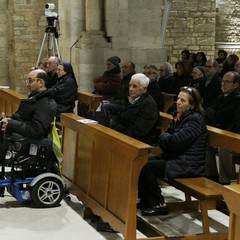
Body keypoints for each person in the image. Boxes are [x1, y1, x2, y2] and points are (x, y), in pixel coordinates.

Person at [138, 86, 207, 216]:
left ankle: (158, 203)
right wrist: (166, 138)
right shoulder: (179, 117)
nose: (178, 102)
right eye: (178, 99)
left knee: (147, 167)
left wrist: (164, 137)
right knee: (141, 162)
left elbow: (174, 141)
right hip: (177, 158)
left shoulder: (194, 121)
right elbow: (169, 140)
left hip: (188, 164)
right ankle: (146, 200)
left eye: (183, 100)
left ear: (192, 105)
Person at [204, 71, 240, 184]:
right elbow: (209, 114)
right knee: (205, 142)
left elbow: (220, 117)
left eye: (227, 82)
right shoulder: (220, 97)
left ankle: (226, 181)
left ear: (236, 85)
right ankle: (211, 177)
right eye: (223, 81)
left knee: (224, 147)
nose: (223, 84)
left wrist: (219, 140)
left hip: (234, 137)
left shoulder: (237, 99)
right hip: (222, 135)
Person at [1, 69, 57, 139]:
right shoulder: (35, 98)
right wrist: (7, 120)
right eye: (27, 81)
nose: (27, 84)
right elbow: (22, 119)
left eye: (30, 81)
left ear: (41, 82)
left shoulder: (46, 104)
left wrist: (11, 124)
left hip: (25, 144)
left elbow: (36, 131)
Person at [110, 73, 159, 144]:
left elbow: (138, 133)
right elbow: (120, 118)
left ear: (144, 89)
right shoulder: (129, 99)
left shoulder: (149, 106)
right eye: (130, 85)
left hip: (135, 142)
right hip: (122, 136)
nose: (130, 89)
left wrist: (116, 127)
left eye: (134, 86)